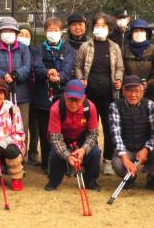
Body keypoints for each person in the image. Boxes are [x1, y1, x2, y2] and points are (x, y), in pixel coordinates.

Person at [73, 12, 124, 175]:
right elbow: (78, 66)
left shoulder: (114, 47)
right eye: (97, 25)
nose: (100, 28)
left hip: (109, 95)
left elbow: (120, 68)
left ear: (109, 28)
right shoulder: (85, 46)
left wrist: (118, 79)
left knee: (109, 129)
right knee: (86, 128)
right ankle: (84, 159)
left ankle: (108, 160)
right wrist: (81, 79)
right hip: (88, 96)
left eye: (103, 26)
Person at [31, 17, 75, 174]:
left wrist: (60, 77)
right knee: (45, 131)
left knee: (64, 130)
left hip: (62, 94)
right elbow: (37, 66)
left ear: (62, 31)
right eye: (50, 30)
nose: (53, 33)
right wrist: (47, 72)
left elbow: (68, 68)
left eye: (56, 30)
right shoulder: (37, 49)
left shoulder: (68, 49)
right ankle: (47, 162)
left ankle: (66, 163)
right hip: (41, 94)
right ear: (44, 31)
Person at [108, 76, 154, 191]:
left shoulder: (150, 105)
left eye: (137, 91)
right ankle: (129, 179)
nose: (133, 95)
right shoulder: (115, 106)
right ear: (123, 92)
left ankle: (153, 180)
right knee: (118, 163)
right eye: (129, 91)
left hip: (146, 147)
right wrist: (125, 158)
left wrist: (146, 149)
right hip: (127, 149)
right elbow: (116, 135)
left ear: (142, 91)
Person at [44, 79, 101, 191]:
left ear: (83, 97)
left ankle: (90, 181)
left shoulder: (90, 107)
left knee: (95, 152)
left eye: (77, 100)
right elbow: (55, 139)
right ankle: (53, 181)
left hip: (81, 137)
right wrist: (68, 156)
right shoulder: (56, 108)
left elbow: (93, 134)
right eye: (70, 99)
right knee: (55, 154)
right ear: (65, 96)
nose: (74, 103)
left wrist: (83, 150)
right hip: (62, 138)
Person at [0, 16, 32, 148]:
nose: (8, 33)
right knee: (2, 126)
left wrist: (15, 75)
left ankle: (21, 158)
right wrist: (3, 75)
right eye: (4, 30)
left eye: (11, 31)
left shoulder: (24, 48)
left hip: (22, 94)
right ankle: (2, 157)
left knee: (21, 126)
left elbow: (27, 67)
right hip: (0, 95)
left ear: (16, 33)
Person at [120, 18, 154, 118]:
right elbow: (121, 70)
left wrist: (148, 84)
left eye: (142, 30)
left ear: (147, 33)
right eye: (136, 30)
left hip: (149, 93)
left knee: (151, 122)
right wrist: (130, 84)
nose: (139, 33)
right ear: (131, 33)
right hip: (129, 93)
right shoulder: (124, 50)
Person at [16, 26, 37, 164]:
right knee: (21, 125)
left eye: (26, 34)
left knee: (34, 126)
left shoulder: (35, 52)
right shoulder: (15, 51)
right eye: (21, 34)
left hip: (35, 92)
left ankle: (33, 152)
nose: (23, 36)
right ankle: (19, 154)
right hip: (21, 92)